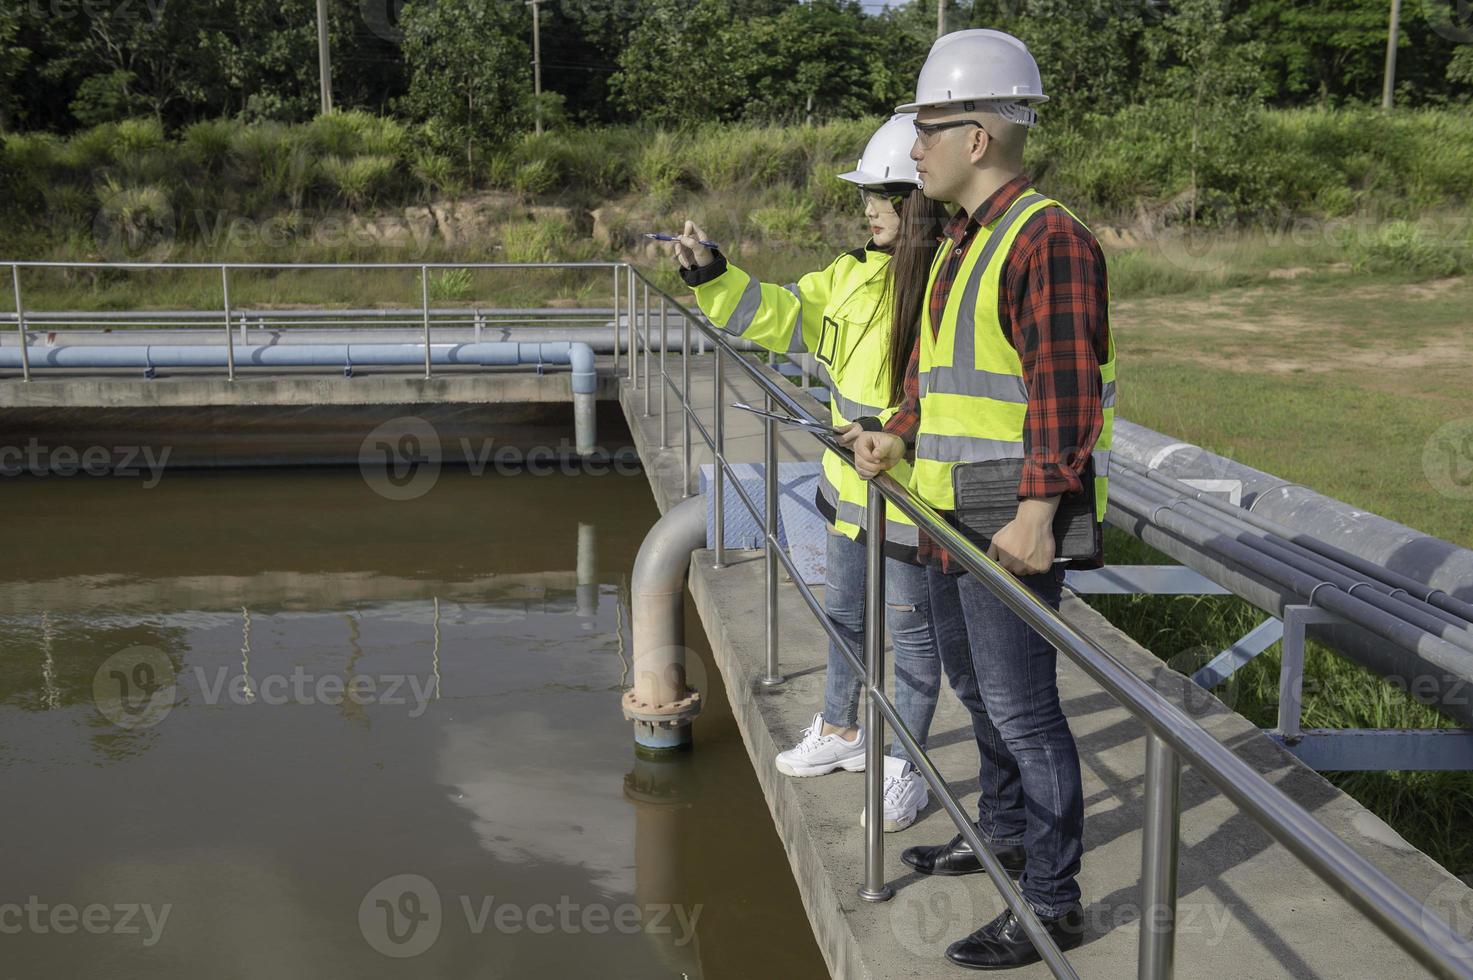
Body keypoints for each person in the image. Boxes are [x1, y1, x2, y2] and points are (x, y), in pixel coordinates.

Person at [852, 29, 1117, 969]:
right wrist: (900, 430)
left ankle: (1050, 903)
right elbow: (948, 374)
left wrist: (1039, 512)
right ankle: (1004, 837)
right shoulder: (969, 238)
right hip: (946, 505)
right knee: (977, 692)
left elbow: (1064, 389)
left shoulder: (1047, 237)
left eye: (925, 129)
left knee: (1022, 710)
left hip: (1007, 513)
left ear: (977, 136)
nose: (911, 148)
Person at [669, 114, 950, 833]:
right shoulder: (850, 274)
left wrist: (898, 439)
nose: (866, 207)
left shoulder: (948, 281)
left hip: (913, 491)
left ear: (915, 196)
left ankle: (906, 769)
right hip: (847, 482)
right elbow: (781, 314)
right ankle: (841, 729)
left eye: (880, 194)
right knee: (845, 615)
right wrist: (711, 273)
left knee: (914, 636)